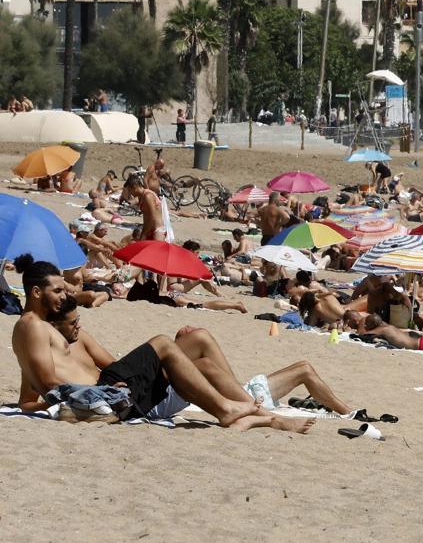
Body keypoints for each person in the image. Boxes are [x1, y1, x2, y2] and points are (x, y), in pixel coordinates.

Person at [10, 255, 310, 432]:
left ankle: (260, 415)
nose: (64, 296)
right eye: (57, 291)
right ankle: (230, 410)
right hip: (105, 392)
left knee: (199, 344)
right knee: (165, 343)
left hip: (107, 387)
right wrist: (97, 395)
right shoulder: (31, 325)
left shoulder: (35, 328)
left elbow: (33, 387)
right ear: (36, 292)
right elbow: (50, 385)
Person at [122, 174, 161, 241]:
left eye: (130, 190)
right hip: (150, 229)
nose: (130, 193)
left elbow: (153, 217)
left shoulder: (148, 196)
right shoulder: (142, 197)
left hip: (157, 230)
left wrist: (144, 234)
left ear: (135, 187)